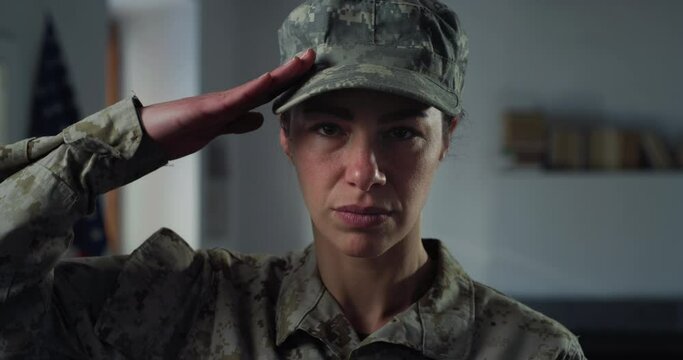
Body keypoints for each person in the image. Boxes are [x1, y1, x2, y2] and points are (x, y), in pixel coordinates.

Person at [0, 0, 586, 359]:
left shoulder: (530, 350)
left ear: (446, 138)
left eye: (401, 133)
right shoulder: (187, 307)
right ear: (286, 135)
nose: (364, 172)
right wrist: (129, 139)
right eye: (330, 128)